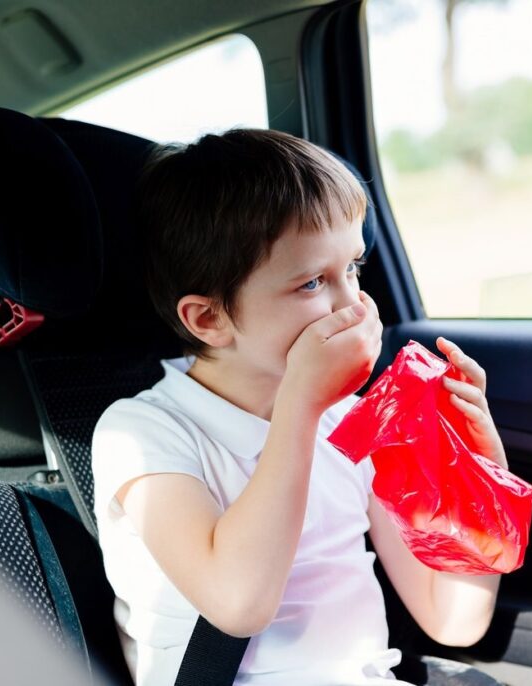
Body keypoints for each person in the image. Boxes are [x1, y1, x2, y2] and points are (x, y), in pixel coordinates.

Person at [91, 129, 509, 686]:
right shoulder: (140, 434)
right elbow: (239, 605)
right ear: (209, 320)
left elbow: (454, 617)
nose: (354, 304)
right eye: (312, 282)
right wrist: (300, 406)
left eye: (353, 269)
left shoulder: (350, 420)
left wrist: (479, 472)